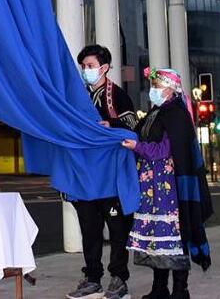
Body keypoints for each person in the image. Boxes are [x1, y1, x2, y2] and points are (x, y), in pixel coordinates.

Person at [120, 68, 214, 299]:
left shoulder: (176, 115)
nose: (153, 91)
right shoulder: (156, 112)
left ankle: (180, 291)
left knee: (174, 235)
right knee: (156, 238)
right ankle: (159, 288)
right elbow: (136, 132)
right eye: (152, 86)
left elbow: (164, 150)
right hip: (152, 186)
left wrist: (137, 147)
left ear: (171, 89)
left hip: (169, 188)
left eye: (157, 86)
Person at [68, 44, 137, 299]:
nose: (86, 70)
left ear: (104, 68)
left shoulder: (116, 95)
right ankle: (92, 279)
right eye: (84, 67)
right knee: (90, 229)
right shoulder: (79, 97)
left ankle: (119, 279)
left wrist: (111, 124)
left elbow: (132, 124)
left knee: (118, 229)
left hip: (111, 177)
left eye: (90, 66)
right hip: (86, 177)